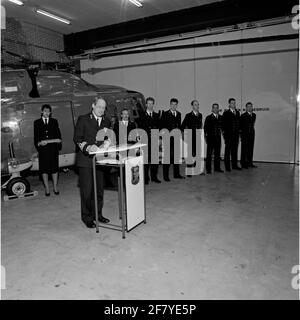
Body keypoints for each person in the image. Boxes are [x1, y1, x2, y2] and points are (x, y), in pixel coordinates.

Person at [73, 96, 111, 228]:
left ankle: (98, 214)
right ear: (93, 106)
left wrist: (107, 142)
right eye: (99, 106)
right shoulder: (83, 119)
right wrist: (89, 147)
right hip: (86, 161)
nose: (101, 109)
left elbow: (107, 137)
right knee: (87, 191)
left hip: (100, 161)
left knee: (99, 190)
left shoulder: (107, 121)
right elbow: (77, 138)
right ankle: (87, 217)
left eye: (104, 108)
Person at [34, 104, 62, 196]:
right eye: (45, 111)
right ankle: (47, 188)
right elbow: (36, 138)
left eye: (48, 111)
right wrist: (39, 143)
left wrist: (55, 142)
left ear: (50, 112)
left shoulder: (54, 121)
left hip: (53, 149)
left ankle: (55, 187)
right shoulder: (37, 122)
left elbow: (58, 137)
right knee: (44, 170)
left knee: (54, 169)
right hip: (43, 151)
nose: (47, 113)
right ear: (42, 111)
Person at [138, 97, 161, 184]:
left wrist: (159, 139)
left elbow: (158, 128)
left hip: (154, 140)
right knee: (146, 160)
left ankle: (154, 177)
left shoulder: (156, 115)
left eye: (152, 103)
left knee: (155, 160)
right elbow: (139, 128)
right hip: (145, 140)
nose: (150, 105)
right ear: (146, 104)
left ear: (153, 104)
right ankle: (146, 178)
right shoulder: (141, 115)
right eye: (148, 103)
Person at [161, 98, 184, 181]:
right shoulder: (165, 114)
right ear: (170, 105)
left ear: (177, 105)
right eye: (172, 104)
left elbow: (179, 126)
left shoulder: (179, 114)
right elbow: (162, 127)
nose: (174, 106)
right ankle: (166, 176)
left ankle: (176, 174)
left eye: (175, 104)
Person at [181, 100, 203, 177]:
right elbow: (182, 126)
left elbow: (200, 126)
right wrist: (184, 135)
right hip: (190, 137)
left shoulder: (200, 115)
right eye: (195, 105)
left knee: (198, 154)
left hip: (198, 137)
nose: (197, 106)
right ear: (192, 106)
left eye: (198, 105)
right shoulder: (188, 115)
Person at [222, 98, 241, 171]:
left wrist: (239, 133)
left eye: (234, 103)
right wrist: (225, 136)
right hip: (228, 136)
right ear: (229, 104)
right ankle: (227, 167)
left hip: (236, 136)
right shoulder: (226, 113)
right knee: (227, 152)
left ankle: (234, 165)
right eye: (232, 103)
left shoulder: (237, 112)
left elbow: (238, 124)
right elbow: (223, 125)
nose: (233, 104)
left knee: (234, 151)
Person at [204, 103, 224, 174]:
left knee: (217, 154)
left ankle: (217, 168)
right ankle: (208, 169)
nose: (215, 109)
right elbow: (205, 129)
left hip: (218, 138)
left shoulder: (221, 117)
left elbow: (223, 128)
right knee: (209, 154)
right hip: (210, 138)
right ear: (212, 109)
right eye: (214, 108)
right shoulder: (208, 118)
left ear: (218, 109)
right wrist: (206, 138)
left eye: (217, 108)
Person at [240, 102, 257, 168]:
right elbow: (241, 126)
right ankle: (243, 164)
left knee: (250, 149)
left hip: (252, 134)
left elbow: (251, 123)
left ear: (252, 107)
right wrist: (241, 135)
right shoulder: (243, 115)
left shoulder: (254, 115)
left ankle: (250, 163)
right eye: (248, 106)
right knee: (244, 150)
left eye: (251, 106)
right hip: (244, 135)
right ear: (246, 108)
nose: (249, 108)